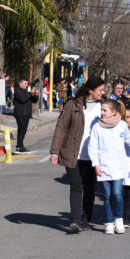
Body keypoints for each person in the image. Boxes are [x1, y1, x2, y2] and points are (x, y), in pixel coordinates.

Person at [50, 77, 106, 233]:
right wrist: (55, 151)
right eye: (100, 90)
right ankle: (75, 220)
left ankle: (86, 218)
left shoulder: (105, 106)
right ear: (91, 90)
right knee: (76, 186)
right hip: (73, 153)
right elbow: (61, 128)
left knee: (90, 188)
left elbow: (120, 127)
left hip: (94, 157)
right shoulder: (73, 105)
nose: (103, 93)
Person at [88, 100, 130, 235]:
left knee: (117, 193)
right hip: (103, 166)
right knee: (107, 195)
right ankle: (109, 222)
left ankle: (119, 219)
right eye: (101, 110)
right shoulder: (97, 127)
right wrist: (95, 163)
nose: (102, 113)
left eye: (105, 110)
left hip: (118, 166)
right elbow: (92, 146)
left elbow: (129, 138)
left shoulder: (122, 126)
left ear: (114, 113)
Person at [13, 78, 39, 153]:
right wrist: (30, 92)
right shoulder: (17, 90)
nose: (26, 85)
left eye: (27, 84)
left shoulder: (25, 91)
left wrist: (36, 95)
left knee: (23, 131)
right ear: (20, 83)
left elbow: (33, 100)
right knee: (22, 130)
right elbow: (22, 99)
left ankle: (20, 146)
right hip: (21, 113)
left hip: (26, 113)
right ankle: (19, 146)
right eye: (25, 84)